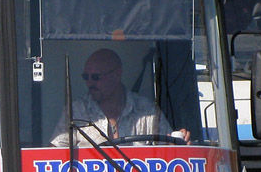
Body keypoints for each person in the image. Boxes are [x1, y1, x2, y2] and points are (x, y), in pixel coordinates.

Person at [50, 48, 188, 147]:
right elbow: (55, 153)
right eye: (86, 77)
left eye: (96, 77)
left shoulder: (147, 110)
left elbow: (169, 153)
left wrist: (180, 142)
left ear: (117, 74)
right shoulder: (76, 110)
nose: (89, 82)